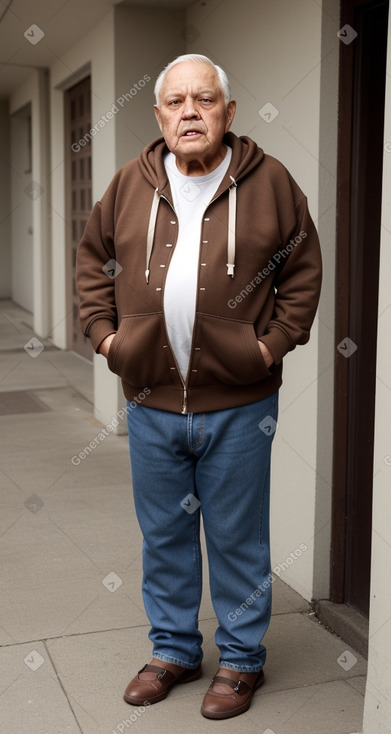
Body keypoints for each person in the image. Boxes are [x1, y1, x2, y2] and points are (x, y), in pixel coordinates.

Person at [76, 53, 322, 720]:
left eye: (203, 100)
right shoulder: (130, 183)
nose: (189, 112)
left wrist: (268, 346)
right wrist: (107, 338)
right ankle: (174, 651)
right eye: (176, 102)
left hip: (240, 405)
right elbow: (93, 262)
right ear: (158, 115)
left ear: (227, 113)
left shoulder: (271, 182)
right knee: (163, 536)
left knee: (238, 538)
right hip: (152, 401)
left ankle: (241, 661)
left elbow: (301, 273)